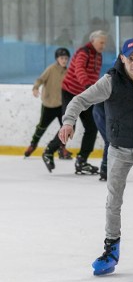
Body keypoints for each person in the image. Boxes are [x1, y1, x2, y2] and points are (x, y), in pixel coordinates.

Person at [57, 38, 133, 280]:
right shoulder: (111, 81)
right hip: (118, 149)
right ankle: (111, 251)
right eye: (130, 59)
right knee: (113, 200)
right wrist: (69, 121)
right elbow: (79, 100)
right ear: (122, 58)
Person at [41, 30, 107, 174]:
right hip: (71, 92)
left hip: (85, 95)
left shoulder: (98, 55)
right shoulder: (83, 52)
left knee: (92, 126)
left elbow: (94, 75)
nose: (104, 45)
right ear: (93, 41)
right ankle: (48, 151)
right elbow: (79, 69)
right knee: (70, 125)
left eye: (104, 42)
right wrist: (88, 86)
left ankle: (82, 161)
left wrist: (93, 90)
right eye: (101, 42)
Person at [24, 47, 73, 160]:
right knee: (41, 127)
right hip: (49, 105)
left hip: (62, 105)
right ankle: (33, 144)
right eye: (62, 58)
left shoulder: (69, 71)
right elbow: (40, 79)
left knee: (65, 128)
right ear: (57, 59)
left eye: (66, 58)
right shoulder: (51, 69)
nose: (64, 60)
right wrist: (35, 88)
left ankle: (61, 148)